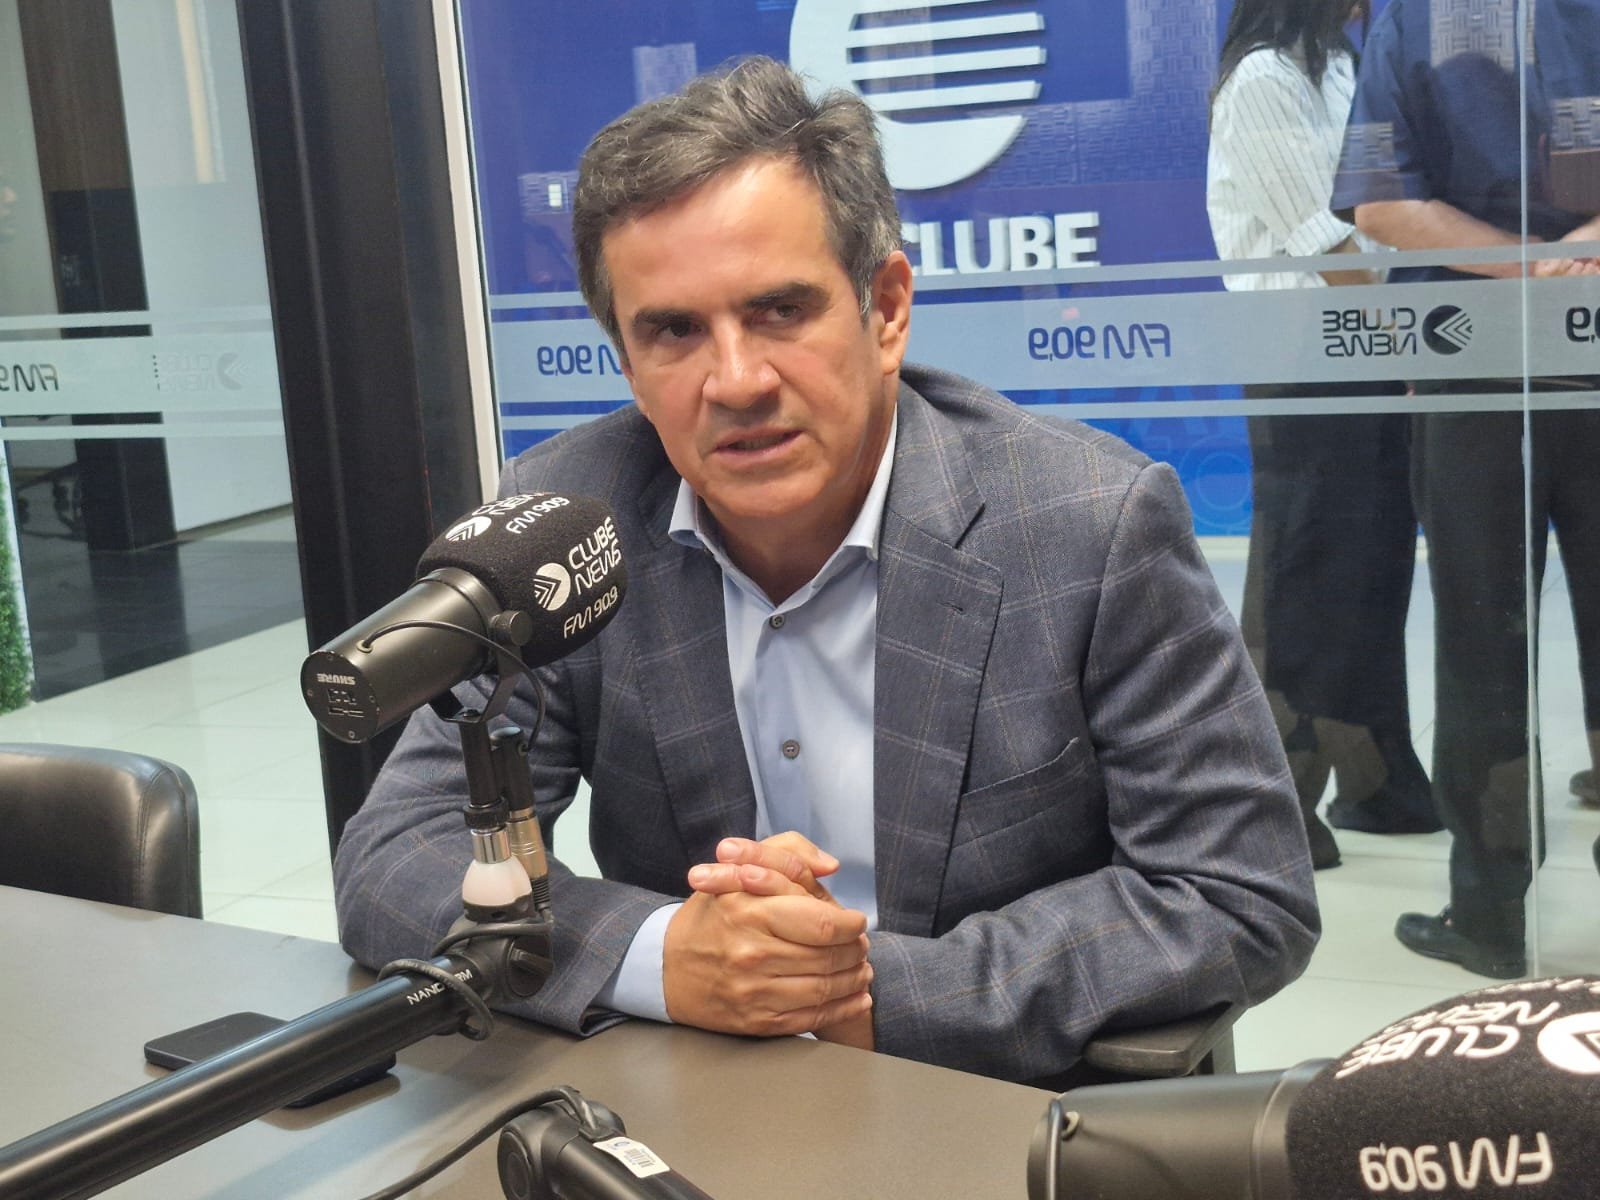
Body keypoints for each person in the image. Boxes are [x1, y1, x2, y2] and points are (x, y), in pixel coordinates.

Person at [334, 56, 1319, 1084]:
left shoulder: (1088, 523)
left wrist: (857, 992)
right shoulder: (570, 526)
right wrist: (664, 958)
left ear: (885, 309)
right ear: (624, 360)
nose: (736, 380)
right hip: (702, 1093)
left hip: (1003, 1104)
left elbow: (1236, 893)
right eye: (673, 330)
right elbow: (396, 854)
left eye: (779, 310)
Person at [1332, 0, 1600, 978]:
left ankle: (1489, 914)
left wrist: (1520, 264)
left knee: (1481, 639)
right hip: (1582, 337)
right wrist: (1573, 254)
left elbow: (1380, 203)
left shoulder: (1411, 19)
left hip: (1471, 355)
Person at [1206, 0, 1438, 874]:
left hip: (1361, 339)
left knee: (1373, 563)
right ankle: (1274, 808)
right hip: (1303, 348)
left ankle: (1378, 778)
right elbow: (1325, 239)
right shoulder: (1263, 78)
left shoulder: (1341, 63)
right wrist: (1403, 339)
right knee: (1300, 575)